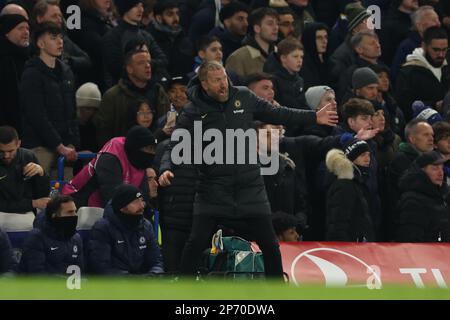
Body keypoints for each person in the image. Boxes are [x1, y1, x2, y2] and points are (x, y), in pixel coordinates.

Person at [158, 61, 338, 278]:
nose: (223, 84)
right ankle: (184, 292)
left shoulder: (243, 96)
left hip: (249, 186)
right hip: (213, 188)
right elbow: (176, 144)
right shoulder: (193, 109)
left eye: (224, 78)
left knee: (270, 245)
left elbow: (278, 113)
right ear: (204, 84)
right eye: (217, 81)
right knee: (196, 242)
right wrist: (166, 168)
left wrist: (313, 116)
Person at [20, 22, 79, 177]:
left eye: (61, 37)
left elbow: (72, 111)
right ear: (40, 43)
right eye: (53, 38)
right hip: (39, 147)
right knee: (39, 194)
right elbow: (36, 115)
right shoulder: (31, 74)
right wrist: (59, 146)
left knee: (63, 197)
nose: (60, 42)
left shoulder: (66, 72)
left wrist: (74, 144)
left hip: (65, 147)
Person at [62, 126, 157, 209]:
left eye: (153, 149)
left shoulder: (140, 161)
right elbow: (111, 197)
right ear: (136, 147)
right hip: (79, 203)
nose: (151, 153)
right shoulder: (110, 158)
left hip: (108, 208)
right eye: (148, 149)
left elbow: (143, 197)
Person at [95, 40, 170, 146]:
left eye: (148, 62)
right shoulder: (112, 96)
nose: (147, 66)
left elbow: (166, 125)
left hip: (156, 154)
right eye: (141, 63)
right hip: (121, 155)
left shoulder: (159, 92)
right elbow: (104, 132)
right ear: (129, 69)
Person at [88, 184, 164, 275]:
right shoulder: (102, 228)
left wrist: (154, 275)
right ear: (122, 207)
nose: (142, 206)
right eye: (136, 202)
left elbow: (156, 261)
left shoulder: (146, 226)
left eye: (142, 201)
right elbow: (102, 268)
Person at [101, 0, 168, 89]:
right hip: (123, 91)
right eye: (135, 6)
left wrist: (141, 64)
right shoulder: (113, 36)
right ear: (125, 9)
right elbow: (115, 68)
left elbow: (163, 60)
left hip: (149, 89)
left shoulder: (146, 35)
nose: (141, 9)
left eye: (141, 6)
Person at [325, 140, 376, 242]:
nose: (368, 159)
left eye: (368, 155)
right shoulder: (345, 185)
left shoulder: (358, 182)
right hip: (349, 250)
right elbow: (338, 224)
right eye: (362, 155)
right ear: (352, 159)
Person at [32, 0, 92, 86]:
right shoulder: (33, 42)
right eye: (54, 16)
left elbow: (86, 60)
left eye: (60, 16)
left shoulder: (64, 38)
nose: (59, 20)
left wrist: (69, 61)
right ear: (40, 18)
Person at [395, 26, 449, 121]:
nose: (441, 55)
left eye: (444, 50)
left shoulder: (447, 68)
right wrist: (434, 106)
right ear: (424, 46)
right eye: (436, 50)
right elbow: (404, 106)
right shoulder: (408, 73)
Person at [20, 195, 83, 274]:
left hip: (70, 285)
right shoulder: (36, 237)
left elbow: (80, 272)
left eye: (75, 211)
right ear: (54, 215)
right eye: (70, 212)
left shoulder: (76, 238)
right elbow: (37, 275)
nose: (75, 215)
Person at [396, 151, 450, 242]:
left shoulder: (444, 194)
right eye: (434, 168)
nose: (440, 173)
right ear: (422, 171)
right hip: (428, 254)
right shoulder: (412, 201)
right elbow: (411, 239)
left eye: (441, 168)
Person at [0, 126, 50, 213]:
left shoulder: (28, 156)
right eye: (1, 151)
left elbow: (42, 195)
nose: (6, 156)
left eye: (11, 151)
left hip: (26, 212)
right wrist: (32, 204)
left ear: (18, 144)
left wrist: (41, 174)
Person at [226, 7, 278, 78]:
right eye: (270, 24)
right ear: (257, 28)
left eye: (277, 24)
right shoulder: (238, 58)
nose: (276, 27)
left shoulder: (280, 54)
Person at [0, 10, 30, 135]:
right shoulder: (3, 58)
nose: (26, 32)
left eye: (27, 28)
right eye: (20, 28)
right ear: (7, 32)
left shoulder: (30, 56)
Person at [147, 1, 194, 77]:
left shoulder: (183, 36)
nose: (176, 18)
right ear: (159, 18)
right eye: (170, 14)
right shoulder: (150, 38)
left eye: (177, 13)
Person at [263, 37, 307, 110]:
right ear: (283, 58)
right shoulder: (272, 80)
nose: (300, 60)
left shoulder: (299, 80)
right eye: (295, 56)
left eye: (301, 57)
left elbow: (303, 106)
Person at [300, 22, 331, 90]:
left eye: (326, 37)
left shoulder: (329, 62)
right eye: (319, 38)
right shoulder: (303, 64)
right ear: (310, 40)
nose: (324, 41)